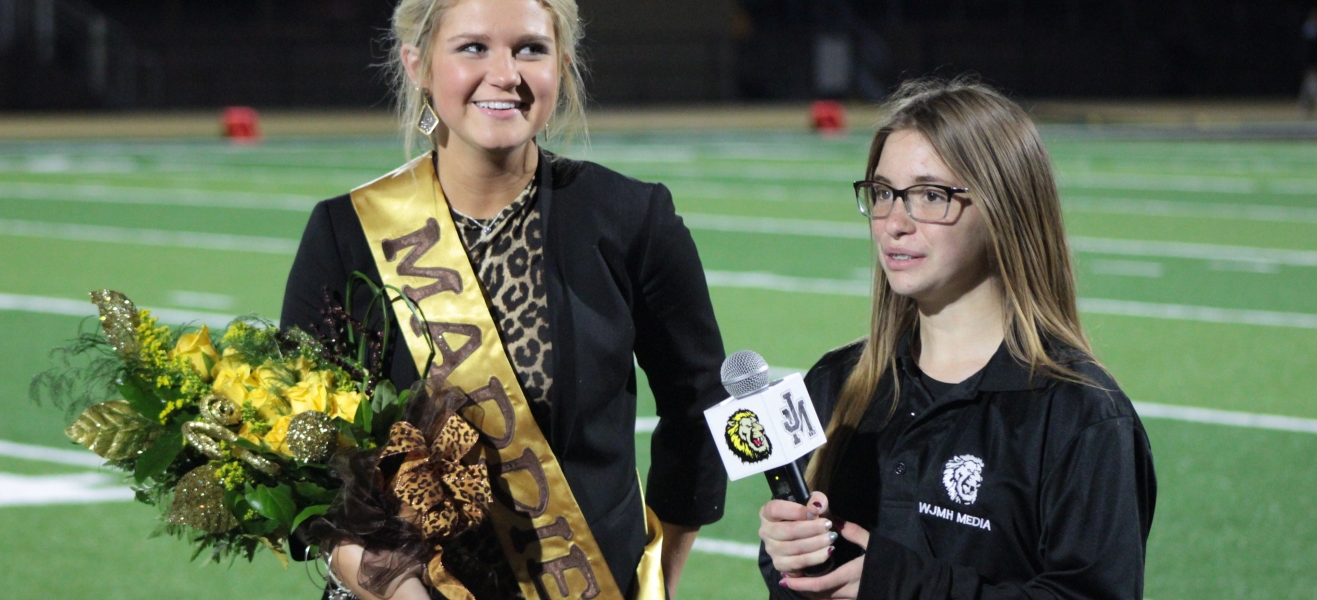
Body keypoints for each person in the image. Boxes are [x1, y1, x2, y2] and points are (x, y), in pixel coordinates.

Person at [279, 0, 728, 598]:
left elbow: (700, 405)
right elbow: (299, 457)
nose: (505, 73)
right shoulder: (346, 233)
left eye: (530, 49)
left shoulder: (630, 218)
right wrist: (391, 586)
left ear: (561, 66)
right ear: (418, 65)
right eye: (472, 48)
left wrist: (659, 577)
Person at [756, 78, 1157, 600]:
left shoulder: (1080, 415)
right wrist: (789, 553)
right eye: (882, 193)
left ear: (1004, 208)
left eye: (929, 195)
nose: (894, 223)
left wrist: (904, 587)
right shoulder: (836, 383)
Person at [1301, 7, 1317, 117]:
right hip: (1310, 64)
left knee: (1308, 86)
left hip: (1312, 63)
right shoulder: (1308, 30)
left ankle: (1305, 108)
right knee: (1310, 85)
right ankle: (1305, 108)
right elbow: (1307, 52)